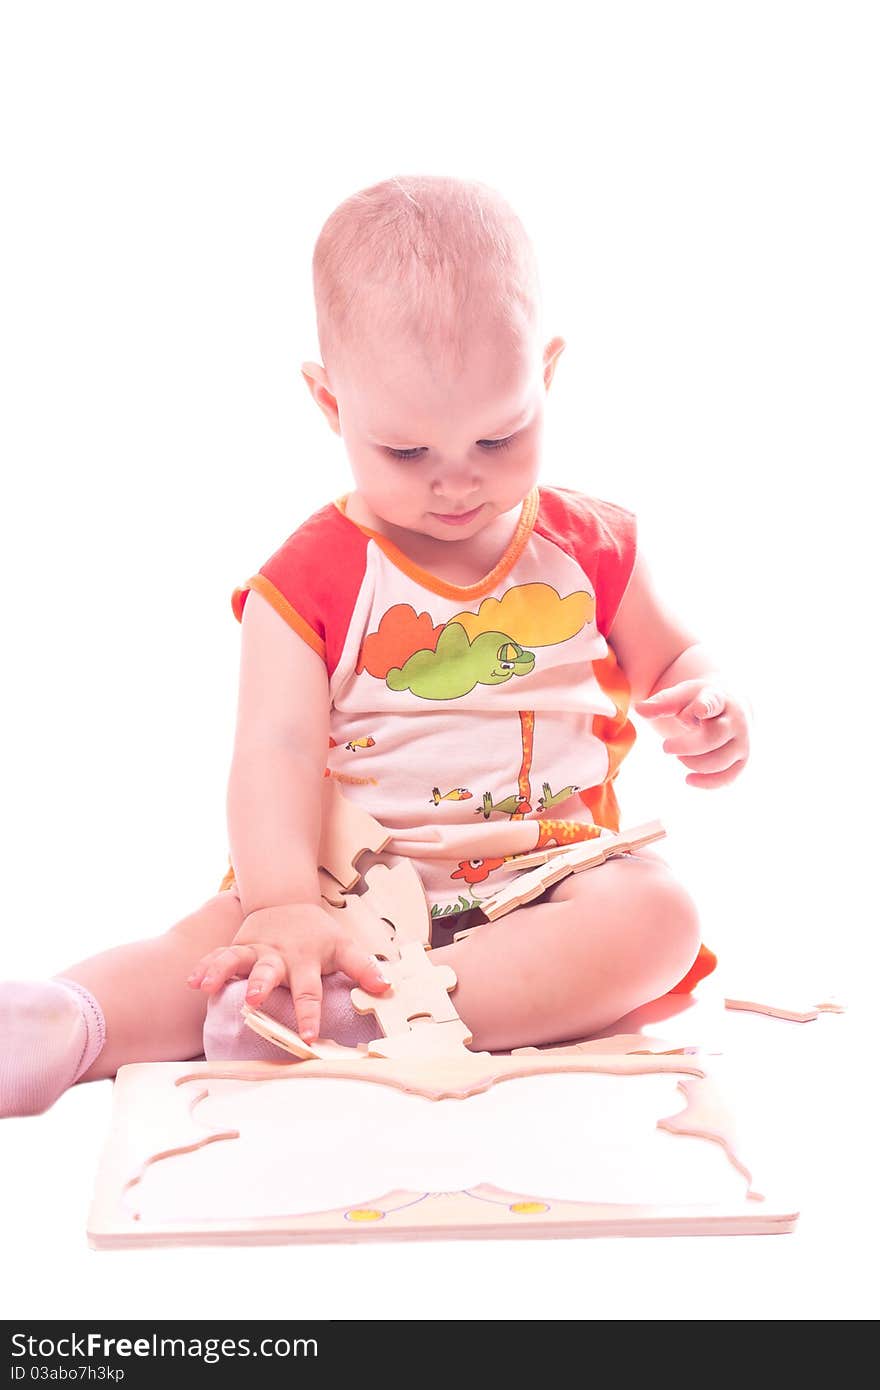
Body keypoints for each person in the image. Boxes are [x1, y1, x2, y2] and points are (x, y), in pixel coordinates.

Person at [0, 174, 750, 1118]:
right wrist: (282, 903)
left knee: (659, 918)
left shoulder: (594, 549)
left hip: (545, 880)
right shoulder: (309, 578)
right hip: (339, 882)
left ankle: (374, 1014)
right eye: (405, 453)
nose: (456, 482)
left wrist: (709, 702)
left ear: (545, 376)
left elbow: (674, 662)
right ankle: (66, 1023)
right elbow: (270, 756)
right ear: (329, 404)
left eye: (500, 434)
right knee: (205, 950)